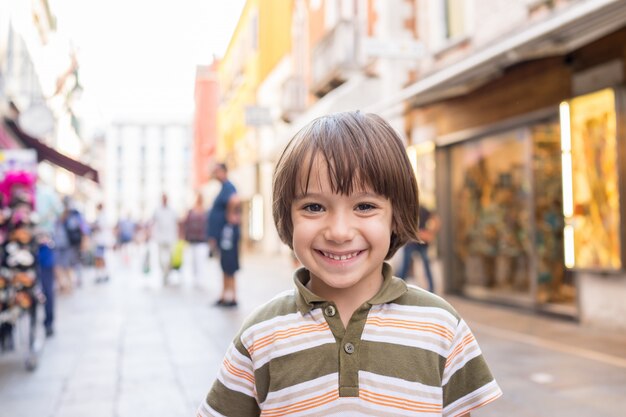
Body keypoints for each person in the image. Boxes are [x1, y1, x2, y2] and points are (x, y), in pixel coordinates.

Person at [197, 111, 501, 416]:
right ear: (287, 217)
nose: (339, 232)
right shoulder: (261, 334)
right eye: (314, 207)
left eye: (365, 206)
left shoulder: (441, 327)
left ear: (396, 215)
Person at [207, 163, 240, 307]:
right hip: (222, 234)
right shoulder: (223, 188)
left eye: (217, 171)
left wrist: (230, 214)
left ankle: (232, 296)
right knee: (224, 265)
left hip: (228, 234)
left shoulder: (229, 187)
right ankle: (224, 294)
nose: (215, 174)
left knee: (229, 265)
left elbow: (235, 200)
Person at [397, 204, 440, 292]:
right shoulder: (406, 209)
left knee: (426, 267)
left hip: (422, 242)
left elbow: (437, 220)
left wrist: (430, 233)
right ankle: (397, 289)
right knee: (404, 267)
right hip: (411, 242)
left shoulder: (422, 208)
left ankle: (432, 290)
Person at [151, 194, 178, 285]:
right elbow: (153, 222)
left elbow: (177, 223)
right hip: (160, 238)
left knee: (170, 257)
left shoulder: (172, 211)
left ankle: (167, 273)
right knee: (161, 258)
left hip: (171, 237)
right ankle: (163, 272)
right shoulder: (157, 210)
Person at [183, 193, 208, 286]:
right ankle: (194, 277)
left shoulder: (206, 211)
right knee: (193, 261)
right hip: (192, 240)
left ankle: (200, 278)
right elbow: (185, 223)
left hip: (202, 240)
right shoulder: (191, 211)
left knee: (200, 260)